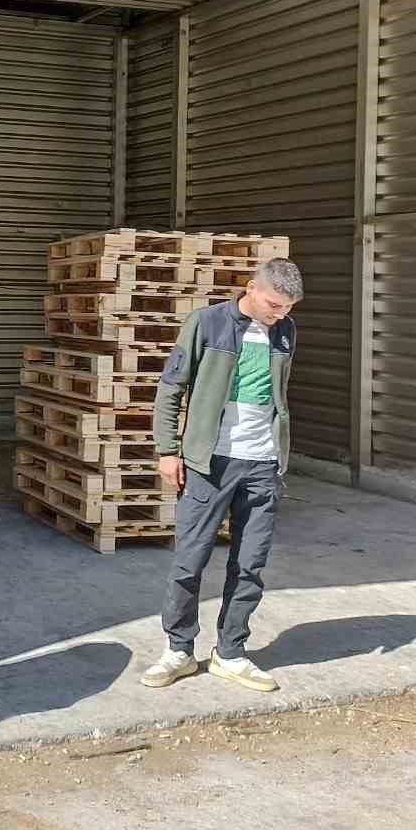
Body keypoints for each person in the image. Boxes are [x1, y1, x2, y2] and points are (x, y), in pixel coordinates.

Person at [143, 257, 303, 693]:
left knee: (249, 564)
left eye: (288, 308)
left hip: (262, 464)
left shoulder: (285, 332)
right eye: (274, 304)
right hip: (209, 462)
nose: (280, 314)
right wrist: (166, 449)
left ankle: (230, 653)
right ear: (251, 288)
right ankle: (178, 649)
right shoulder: (208, 323)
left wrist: (277, 455)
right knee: (189, 560)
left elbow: (277, 397)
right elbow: (172, 386)